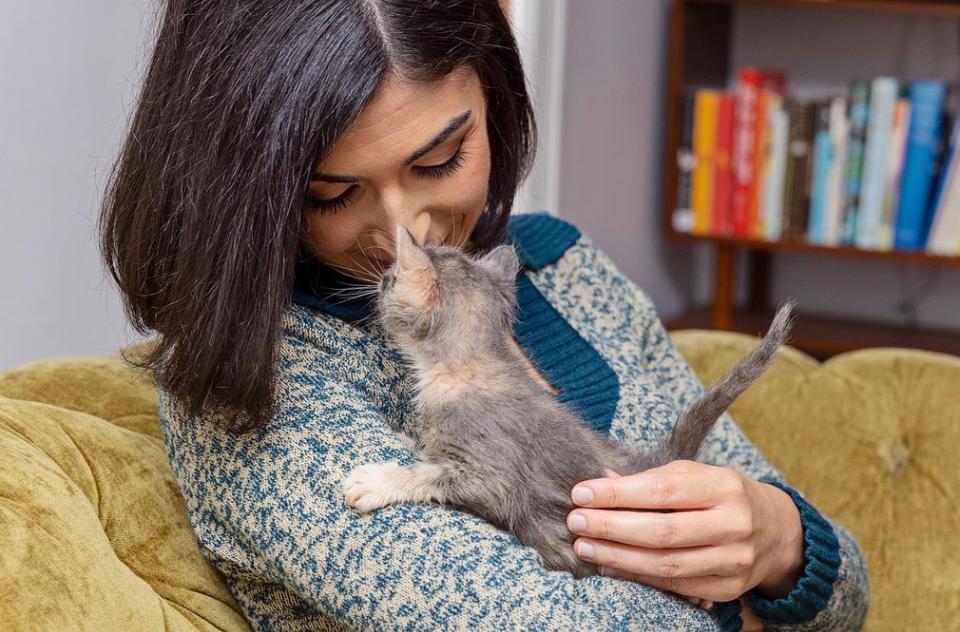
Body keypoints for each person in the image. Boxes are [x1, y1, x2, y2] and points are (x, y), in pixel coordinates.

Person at [98, 1, 869, 630]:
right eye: (330, 195)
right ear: (251, 190)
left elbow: (848, 593)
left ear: (495, 96)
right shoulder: (257, 387)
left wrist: (779, 539)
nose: (408, 232)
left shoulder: (564, 270)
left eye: (440, 160)